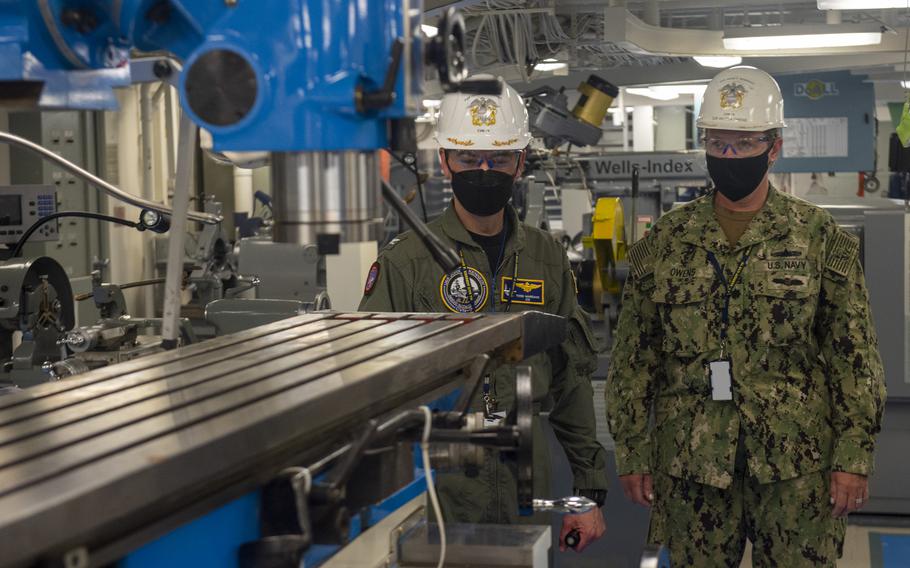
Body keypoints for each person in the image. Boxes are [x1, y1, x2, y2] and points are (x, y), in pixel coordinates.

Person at [606, 66, 886, 567]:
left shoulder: (816, 236)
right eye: (718, 144)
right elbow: (633, 358)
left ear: (773, 148)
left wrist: (853, 457)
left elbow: (855, 358)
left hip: (796, 466)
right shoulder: (666, 241)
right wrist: (631, 451)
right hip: (692, 467)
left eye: (743, 144)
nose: (728, 157)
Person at [359, 76, 608, 552]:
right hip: (436, 492)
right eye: (470, 159)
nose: (484, 170)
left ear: (519, 164)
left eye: (499, 159)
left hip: (524, 485)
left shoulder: (546, 257)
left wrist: (588, 490)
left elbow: (570, 379)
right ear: (444, 161)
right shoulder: (407, 262)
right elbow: (372, 388)